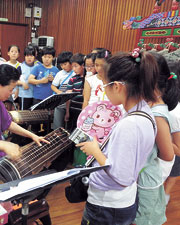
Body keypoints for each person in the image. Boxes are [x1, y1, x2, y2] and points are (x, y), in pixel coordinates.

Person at [77, 51, 158, 225]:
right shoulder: (145, 112)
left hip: (107, 204)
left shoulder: (129, 124)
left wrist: (95, 151)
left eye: (105, 85)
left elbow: (121, 176)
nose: (104, 91)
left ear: (117, 86)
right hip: (122, 199)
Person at [133, 52, 180, 225]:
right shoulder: (152, 109)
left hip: (147, 183)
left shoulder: (158, 116)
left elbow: (168, 154)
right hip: (144, 178)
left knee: (144, 220)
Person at [164, 60, 180, 205]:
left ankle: (165, 195)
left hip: (171, 145)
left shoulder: (175, 112)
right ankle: (165, 194)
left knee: (174, 171)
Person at [52, 51, 75, 130]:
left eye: (65, 64)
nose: (63, 67)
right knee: (57, 126)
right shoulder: (60, 74)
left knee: (70, 126)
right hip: (61, 103)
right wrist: (59, 92)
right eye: (61, 65)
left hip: (72, 104)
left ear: (71, 62)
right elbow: (53, 86)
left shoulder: (76, 73)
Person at [64, 53, 86, 130]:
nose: (73, 69)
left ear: (83, 65)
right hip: (73, 109)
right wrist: (67, 112)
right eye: (72, 66)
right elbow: (68, 98)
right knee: (71, 130)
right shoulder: (72, 79)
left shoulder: (89, 79)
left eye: (76, 66)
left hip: (83, 110)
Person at [17, 46, 36, 110]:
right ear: (24, 56)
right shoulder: (20, 67)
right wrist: (22, 83)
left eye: (31, 56)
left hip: (35, 96)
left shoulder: (38, 67)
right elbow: (13, 81)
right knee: (24, 115)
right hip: (24, 95)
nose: (29, 58)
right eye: (27, 56)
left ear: (35, 56)